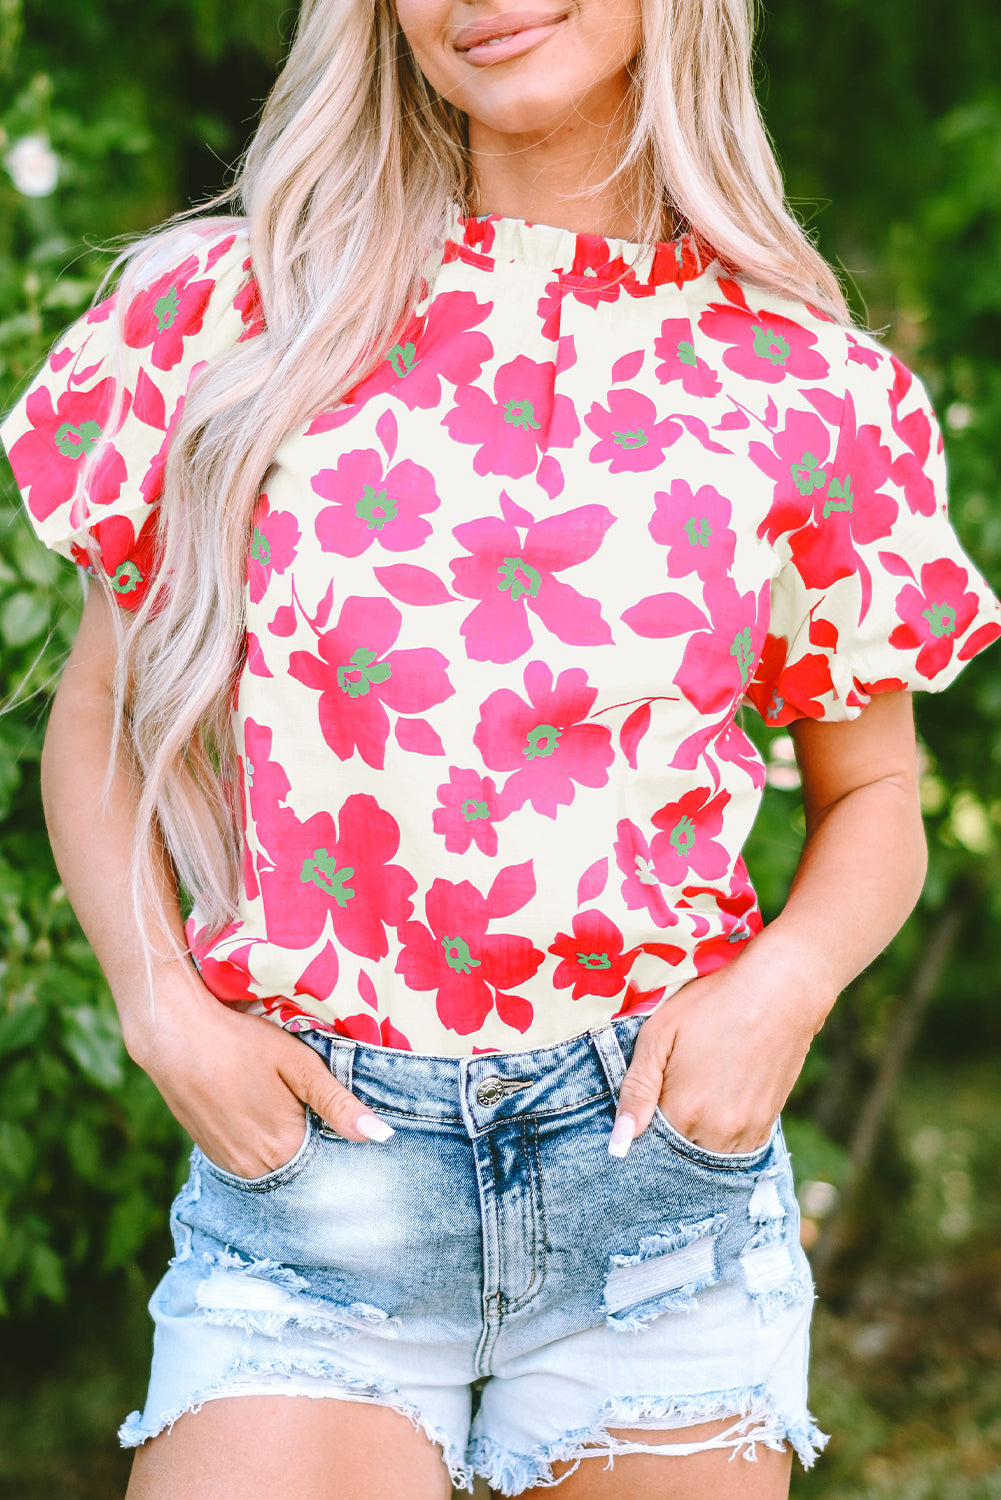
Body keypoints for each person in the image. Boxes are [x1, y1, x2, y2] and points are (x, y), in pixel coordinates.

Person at [3, 1, 999, 1496]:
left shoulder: (814, 393)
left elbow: (875, 795)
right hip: (315, 1176)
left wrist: (781, 994)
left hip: (657, 1178)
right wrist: (160, 1011)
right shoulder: (226, 310)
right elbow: (102, 719)